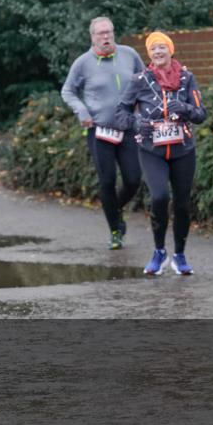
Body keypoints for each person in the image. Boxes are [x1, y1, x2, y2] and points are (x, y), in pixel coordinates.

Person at [115, 31, 206, 276]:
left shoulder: (187, 78)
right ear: (149, 54)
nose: (158, 52)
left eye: (162, 48)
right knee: (159, 197)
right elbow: (120, 113)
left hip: (183, 150)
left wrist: (185, 108)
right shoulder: (139, 80)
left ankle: (179, 255)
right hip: (151, 150)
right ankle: (159, 252)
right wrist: (136, 123)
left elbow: (201, 114)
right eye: (153, 49)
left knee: (183, 204)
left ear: (170, 50)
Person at [61, 16, 145, 250]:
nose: (106, 37)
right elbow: (68, 91)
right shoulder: (83, 63)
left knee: (133, 180)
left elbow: (144, 81)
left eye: (109, 32)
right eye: (101, 34)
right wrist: (81, 111)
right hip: (99, 131)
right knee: (107, 180)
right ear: (93, 37)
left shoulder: (129, 55)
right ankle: (115, 231)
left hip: (127, 128)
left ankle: (114, 209)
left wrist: (144, 109)